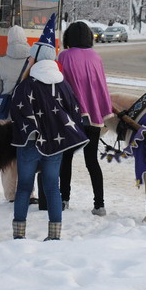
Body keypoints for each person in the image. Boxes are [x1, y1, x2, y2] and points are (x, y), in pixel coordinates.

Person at [9, 15, 88, 241]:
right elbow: (74, 112)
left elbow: (16, 112)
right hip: (55, 146)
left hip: (29, 144)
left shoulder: (26, 84)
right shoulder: (63, 85)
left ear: (34, 59)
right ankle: (54, 235)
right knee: (53, 188)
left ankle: (19, 235)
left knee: (24, 187)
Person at [57, 21, 114, 216]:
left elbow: (60, 85)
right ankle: (99, 204)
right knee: (92, 161)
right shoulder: (96, 57)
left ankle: (64, 199)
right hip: (94, 116)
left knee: (66, 157)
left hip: (73, 115)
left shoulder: (64, 56)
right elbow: (101, 86)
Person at [0, 25, 33, 203]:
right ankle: (28, 193)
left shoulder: (1, 62)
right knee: (27, 155)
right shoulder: (32, 60)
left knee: (8, 157)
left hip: (7, 117)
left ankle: (10, 195)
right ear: (24, 39)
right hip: (27, 116)